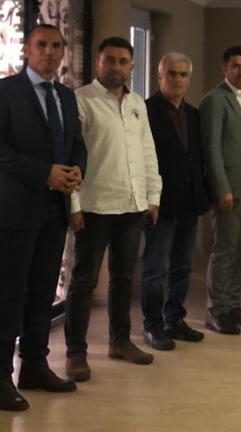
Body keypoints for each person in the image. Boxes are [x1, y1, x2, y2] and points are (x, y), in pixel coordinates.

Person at [0, 24, 86, 411]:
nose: (49, 52)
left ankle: (35, 366)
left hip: (54, 209)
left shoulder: (66, 96)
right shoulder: (3, 92)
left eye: (56, 46)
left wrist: (77, 170)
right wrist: (44, 174)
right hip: (15, 209)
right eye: (41, 45)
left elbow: (76, 143)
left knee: (43, 292)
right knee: (12, 294)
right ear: (26, 50)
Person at [64, 37, 162, 382]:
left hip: (132, 205)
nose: (116, 67)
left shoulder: (137, 103)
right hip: (94, 206)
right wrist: (73, 203)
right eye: (109, 60)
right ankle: (76, 353)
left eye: (123, 61)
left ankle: (120, 341)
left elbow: (147, 151)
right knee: (84, 281)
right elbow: (70, 155)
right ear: (98, 63)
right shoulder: (81, 100)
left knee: (123, 278)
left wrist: (153, 197)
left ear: (132, 66)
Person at [141, 52, 210, 350]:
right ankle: (152, 325)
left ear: (189, 79)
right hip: (161, 203)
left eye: (183, 74)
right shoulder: (146, 111)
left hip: (189, 202)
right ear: (160, 76)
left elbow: (196, 158)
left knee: (183, 266)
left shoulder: (193, 114)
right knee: (155, 269)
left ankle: (175, 319)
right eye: (171, 73)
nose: (177, 79)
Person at [200, 46, 241, 334]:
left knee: (239, 251)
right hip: (229, 189)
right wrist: (221, 188)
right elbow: (211, 148)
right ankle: (216, 311)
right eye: (235, 66)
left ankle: (232, 305)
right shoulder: (215, 100)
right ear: (224, 68)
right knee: (224, 250)